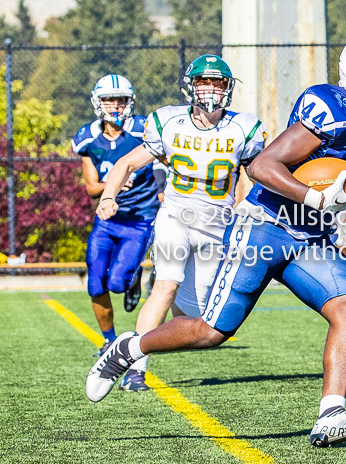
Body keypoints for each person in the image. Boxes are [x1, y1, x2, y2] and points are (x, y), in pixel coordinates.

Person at [87, 30, 346, 448]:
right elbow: (263, 165)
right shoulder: (334, 108)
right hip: (264, 222)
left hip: (310, 235)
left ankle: (330, 413)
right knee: (211, 331)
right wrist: (314, 196)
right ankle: (127, 349)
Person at [92, 55, 266, 392]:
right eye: (205, 81)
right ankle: (134, 369)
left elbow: (260, 175)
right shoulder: (169, 122)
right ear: (191, 85)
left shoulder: (244, 127)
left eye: (219, 82)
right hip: (175, 217)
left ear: (228, 88)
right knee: (166, 285)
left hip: (217, 226)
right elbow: (127, 163)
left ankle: (162, 291)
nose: (212, 88)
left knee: (195, 320)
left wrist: (253, 209)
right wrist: (108, 197)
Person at [72, 74, 160, 358]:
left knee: (117, 283)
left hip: (140, 219)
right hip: (107, 220)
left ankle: (134, 278)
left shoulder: (143, 129)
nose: (115, 105)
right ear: (98, 103)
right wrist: (114, 184)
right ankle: (109, 340)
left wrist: (162, 189)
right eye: (109, 99)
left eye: (120, 99)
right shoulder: (88, 139)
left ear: (129, 101)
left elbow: (164, 158)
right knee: (96, 281)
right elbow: (91, 188)